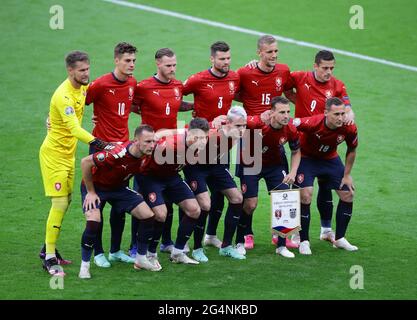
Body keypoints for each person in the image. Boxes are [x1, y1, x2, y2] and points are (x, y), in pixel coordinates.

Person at [39, 51, 115, 276]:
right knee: (60, 204)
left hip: (67, 154)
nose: (86, 74)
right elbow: (73, 128)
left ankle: (48, 248)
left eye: (87, 69)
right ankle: (49, 258)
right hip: (53, 155)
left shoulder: (82, 87)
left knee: (67, 201)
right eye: (81, 70)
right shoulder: (63, 95)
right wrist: (103, 144)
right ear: (70, 70)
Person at [284, 50, 355, 244]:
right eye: (325, 68)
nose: (328, 72)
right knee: (304, 193)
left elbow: (347, 106)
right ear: (315, 66)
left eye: (331, 68)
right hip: (305, 148)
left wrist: (349, 113)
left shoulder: (338, 85)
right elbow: (283, 88)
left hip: (328, 148)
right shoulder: (300, 77)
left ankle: (326, 231)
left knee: (330, 187)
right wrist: (298, 101)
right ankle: (298, 232)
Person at [129, 48, 193, 257]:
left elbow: (175, 104)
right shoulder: (144, 87)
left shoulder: (177, 85)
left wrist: (196, 106)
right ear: (157, 64)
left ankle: (166, 241)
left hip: (170, 150)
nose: (173, 69)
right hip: (148, 150)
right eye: (168, 65)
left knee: (166, 199)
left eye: (174, 64)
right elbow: (129, 104)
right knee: (141, 200)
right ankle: (135, 246)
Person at [78, 125, 159, 279]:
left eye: (153, 141)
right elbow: (85, 162)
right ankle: (85, 266)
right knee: (94, 220)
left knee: (148, 215)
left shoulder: (148, 153)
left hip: (119, 189)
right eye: (148, 142)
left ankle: (141, 259)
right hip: (97, 188)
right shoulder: (117, 153)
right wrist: (90, 192)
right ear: (136, 141)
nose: (152, 145)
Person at [83, 42, 138, 268]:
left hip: (124, 150)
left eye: (134, 60)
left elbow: (128, 107)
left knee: (119, 202)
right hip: (102, 149)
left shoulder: (133, 82)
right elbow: (79, 101)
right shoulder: (101, 84)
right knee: (99, 201)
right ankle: (98, 253)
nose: (131, 65)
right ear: (116, 60)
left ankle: (115, 250)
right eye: (127, 60)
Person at [235, 35, 293, 249]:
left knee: (283, 195)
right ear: (259, 52)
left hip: (275, 140)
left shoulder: (283, 71)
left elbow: (292, 90)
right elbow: (233, 93)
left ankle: (283, 238)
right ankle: (246, 234)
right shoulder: (245, 72)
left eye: (276, 51)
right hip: (251, 142)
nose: (274, 56)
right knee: (249, 202)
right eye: (269, 52)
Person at [182, 41, 240, 250]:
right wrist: (193, 106)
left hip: (220, 147)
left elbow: (242, 94)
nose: (226, 62)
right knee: (193, 198)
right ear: (212, 59)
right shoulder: (198, 79)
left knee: (220, 197)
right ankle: (186, 241)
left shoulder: (235, 77)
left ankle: (211, 236)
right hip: (197, 146)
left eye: (228, 58)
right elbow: (175, 96)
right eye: (221, 59)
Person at [136, 118, 210, 266]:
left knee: (195, 210)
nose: (202, 141)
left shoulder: (195, 142)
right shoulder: (171, 146)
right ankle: (150, 254)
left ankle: (178, 252)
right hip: (151, 178)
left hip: (172, 177)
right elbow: (146, 152)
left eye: (205, 138)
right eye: (198, 138)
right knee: (161, 214)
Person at [235, 96, 301, 258]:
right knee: (250, 204)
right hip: (251, 164)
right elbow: (234, 122)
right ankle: (240, 241)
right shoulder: (256, 124)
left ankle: (281, 245)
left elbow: (295, 151)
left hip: (275, 166)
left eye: (288, 112)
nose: (286, 116)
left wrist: (292, 172)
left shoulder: (290, 129)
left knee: (284, 201)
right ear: (271, 113)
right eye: (282, 112)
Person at [292, 97, 358, 255]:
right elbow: (291, 123)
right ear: (326, 113)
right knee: (305, 196)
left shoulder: (349, 127)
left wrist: (347, 175)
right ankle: (304, 241)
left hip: (330, 159)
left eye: (343, 113)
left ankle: (340, 239)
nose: (341, 118)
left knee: (348, 194)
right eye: (336, 114)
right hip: (307, 159)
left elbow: (352, 149)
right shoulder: (313, 122)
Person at [183, 106, 248, 261]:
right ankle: (197, 248)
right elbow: (187, 131)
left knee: (237, 198)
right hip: (196, 168)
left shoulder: (233, 134)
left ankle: (226, 247)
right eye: (238, 126)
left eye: (244, 126)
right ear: (228, 123)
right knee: (205, 205)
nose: (242, 129)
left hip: (215, 165)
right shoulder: (212, 133)